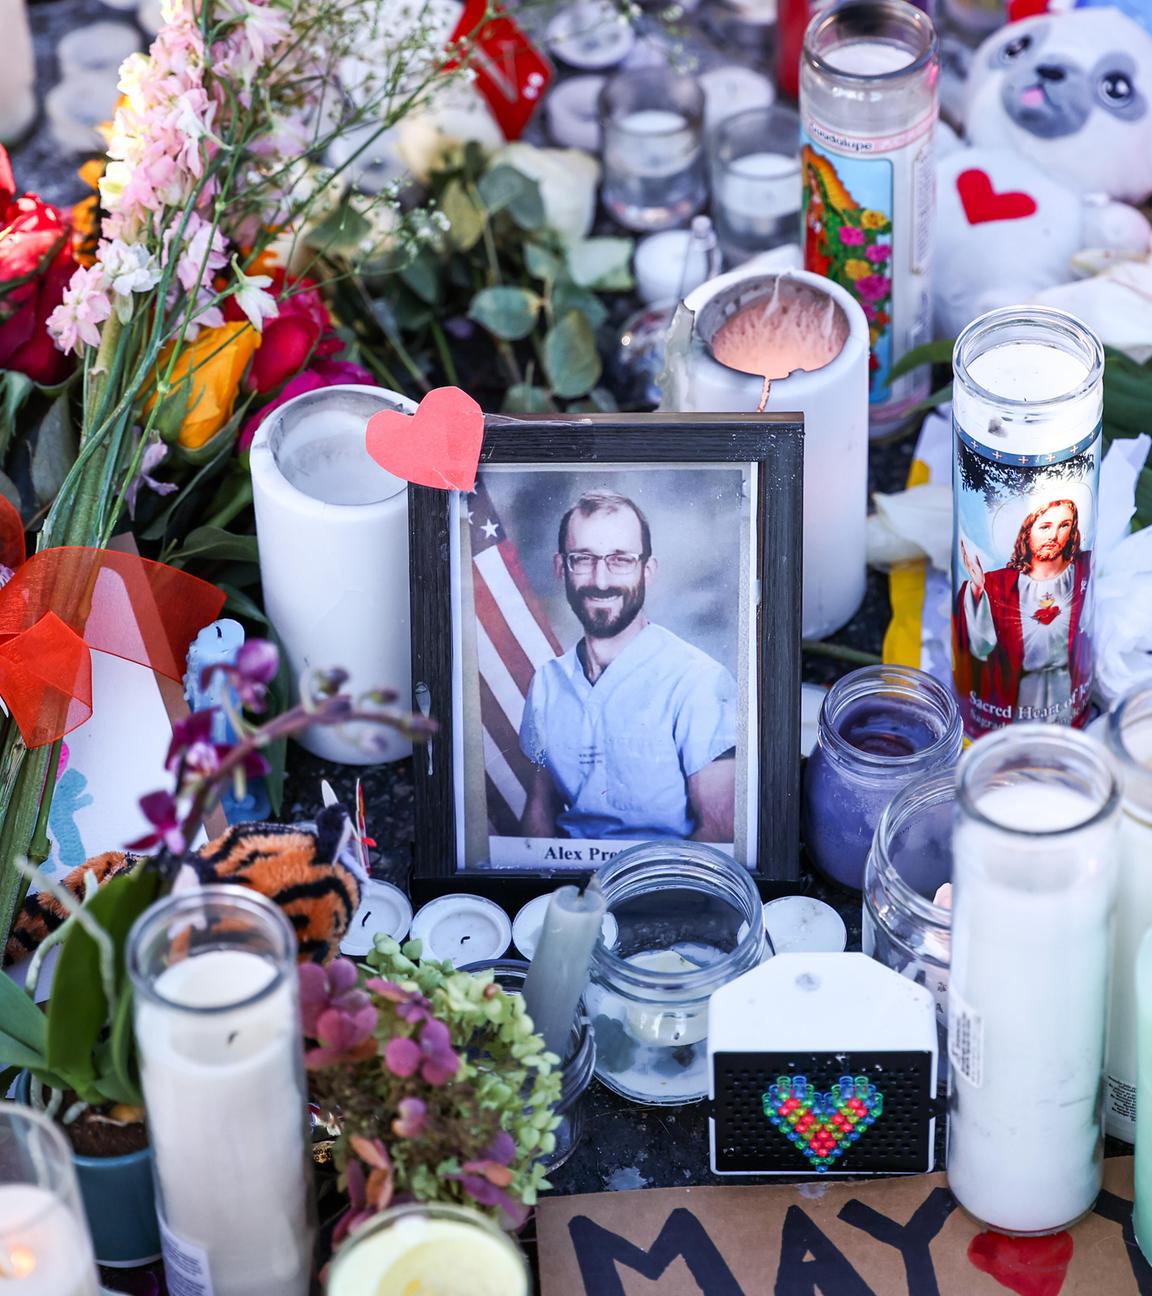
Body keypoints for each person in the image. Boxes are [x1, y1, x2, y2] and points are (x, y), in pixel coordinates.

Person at [518, 489, 738, 843]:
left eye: (620, 560)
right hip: (570, 887)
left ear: (647, 570)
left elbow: (720, 829)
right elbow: (540, 808)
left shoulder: (697, 680)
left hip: (660, 881)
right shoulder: (546, 682)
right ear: (561, 567)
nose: (601, 580)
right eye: (583, 559)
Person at [955, 496, 1092, 723]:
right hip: (1021, 690)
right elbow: (981, 646)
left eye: (1064, 525)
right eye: (1045, 527)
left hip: (1067, 684)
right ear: (1028, 532)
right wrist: (978, 590)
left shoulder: (1081, 570)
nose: (1054, 535)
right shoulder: (1000, 585)